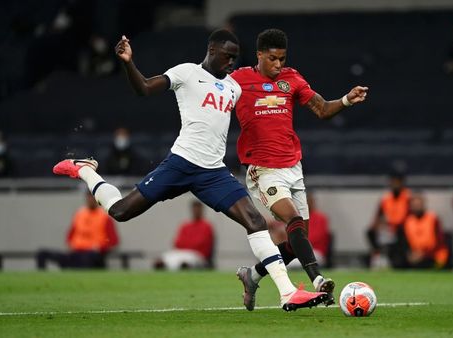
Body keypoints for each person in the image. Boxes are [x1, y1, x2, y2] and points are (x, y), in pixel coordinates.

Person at [52, 29, 327, 311]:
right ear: (211, 50)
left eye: (235, 58)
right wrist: (128, 62)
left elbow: (261, 106)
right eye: (227, 56)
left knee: (255, 222)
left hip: (213, 172)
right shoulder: (186, 73)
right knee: (120, 211)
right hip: (181, 163)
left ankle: (287, 293)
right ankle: (86, 170)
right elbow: (144, 88)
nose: (231, 62)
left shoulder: (233, 87)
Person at [231, 28, 368, 310]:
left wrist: (345, 100)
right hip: (263, 169)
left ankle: (252, 275)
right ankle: (317, 280)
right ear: (259, 55)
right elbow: (213, 99)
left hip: (293, 167)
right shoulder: (238, 80)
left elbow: (321, 109)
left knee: (296, 242)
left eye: (282, 58)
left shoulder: (291, 78)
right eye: (272, 59)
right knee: (291, 220)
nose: (278, 64)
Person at [37, 190, 119, 269]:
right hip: (76, 253)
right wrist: (73, 245)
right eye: (89, 197)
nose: (90, 199)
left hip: (93, 255)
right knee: (42, 254)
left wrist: (100, 248)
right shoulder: (80, 214)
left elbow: (113, 241)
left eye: (92, 197)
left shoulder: (104, 217)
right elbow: (70, 236)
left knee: (86, 259)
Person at [366, 172, 411, 269]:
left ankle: (398, 259)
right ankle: (378, 256)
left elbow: (411, 217)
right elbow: (378, 216)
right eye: (393, 182)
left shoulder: (408, 197)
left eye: (397, 182)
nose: (395, 184)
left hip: (402, 229)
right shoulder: (386, 198)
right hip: (388, 228)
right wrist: (378, 225)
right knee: (370, 232)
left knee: (401, 232)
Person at [154, 200, 215, 270]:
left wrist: (187, 244)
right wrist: (190, 244)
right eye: (194, 209)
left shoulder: (207, 226)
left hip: (198, 255)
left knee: (185, 261)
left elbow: (201, 243)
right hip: (181, 252)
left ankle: (184, 269)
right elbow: (177, 243)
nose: (196, 211)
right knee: (166, 258)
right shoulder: (185, 225)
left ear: (202, 210)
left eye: (198, 209)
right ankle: (162, 268)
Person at [397, 192, 449, 269]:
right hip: (415, 255)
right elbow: (404, 242)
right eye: (414, 205)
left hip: (433, 255)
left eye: (419, 204)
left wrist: (424, 254)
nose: (417, 207)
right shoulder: (407, 221)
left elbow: (440, 242)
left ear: (423, 204)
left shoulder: (433, 218)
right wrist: (409, 254)